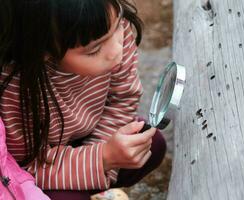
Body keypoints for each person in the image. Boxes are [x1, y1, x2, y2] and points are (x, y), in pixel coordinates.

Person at [0, 0, 167, 199]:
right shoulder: (18, 87)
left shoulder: (109, 26)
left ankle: (94, 186)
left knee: (152, 144)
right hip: (45, 163)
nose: (116, 50)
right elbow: (26, 166)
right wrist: (102, 157)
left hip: (93, 139)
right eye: (94, 50)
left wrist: (107, 156)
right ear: (43, 52)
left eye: (118, 28)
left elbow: (123, 98)